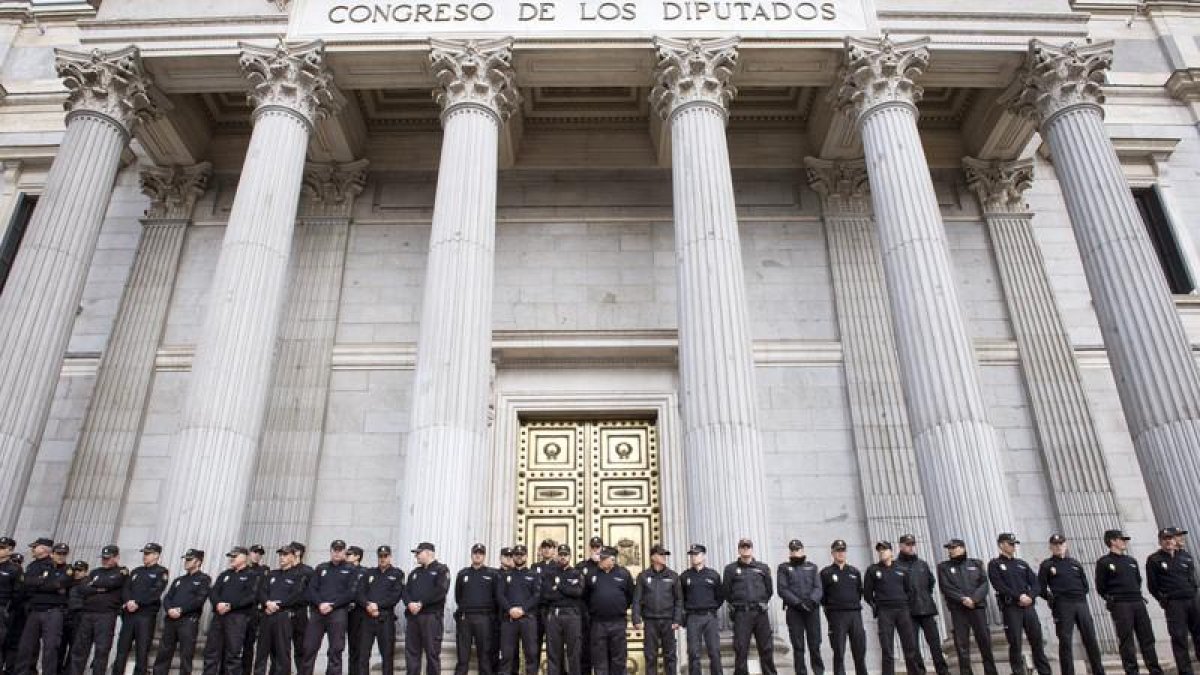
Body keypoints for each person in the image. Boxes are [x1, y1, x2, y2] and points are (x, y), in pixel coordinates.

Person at [1095, 530, 1162, 675]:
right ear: (1112, 541)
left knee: (1147, 638)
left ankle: (1155, 671)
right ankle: (1132, 671)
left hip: (1137, 602)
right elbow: (1100, 586)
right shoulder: (1104, 562)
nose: (1124, 542)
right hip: (1121, 604)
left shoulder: (1131, 561)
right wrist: (1112, 599)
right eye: (1121, 539)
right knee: (1127, 640)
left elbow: (1137, 580)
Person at [1037, 534, 1103, 675]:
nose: (1058, 547)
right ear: (1050, 547)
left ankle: (1099, 671)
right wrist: (1051, 599)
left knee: (1090, 638)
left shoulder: (1075, 564)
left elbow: (1085, 586)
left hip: (1080, 603)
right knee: (1065, 641)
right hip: (1063, 605)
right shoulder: (1047, 565)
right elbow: (1040, 588)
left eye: (1061, 544)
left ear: (1065, 545)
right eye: (1055, 544)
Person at [987, 534, 1050, 675]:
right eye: (1010, 544)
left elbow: (1036, 584)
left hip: (1028, 607)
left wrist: (1030, 596)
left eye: (1014, 544)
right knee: (1015, 643)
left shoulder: (1021, 564)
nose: (1013, 546)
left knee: (1037, 640)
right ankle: (1018, 671)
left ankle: (1044, 671)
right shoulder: (995, 564)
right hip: (1011, 607)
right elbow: (999, 585)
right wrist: (1018, 596)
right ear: (1001, 545)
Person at [936, 539, 996, 675]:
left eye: (954, 547)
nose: (951, 550)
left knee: (984, 641)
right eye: (949, 548)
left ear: (962, 548)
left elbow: (984, 584)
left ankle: (991, 671)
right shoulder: (943, 567)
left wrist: (974, 599)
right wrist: (962, 599)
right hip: (958, 609)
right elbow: (946, 587)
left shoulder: (976, 564)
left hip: (977, 607)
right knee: (962, 644)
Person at [1147, 527, 1200, 675]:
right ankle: (1185, 671)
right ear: (1160, 542)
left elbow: (1192, 580)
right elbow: (1152, 586)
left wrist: (1193, 593)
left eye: (1171, 539)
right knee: (1179, 637)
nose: (1169, 542)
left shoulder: (1185, 557)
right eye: (1165, 539)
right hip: (1174, 604)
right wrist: (1164, 600)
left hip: (1192, 600)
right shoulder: (1154, 560)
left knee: (1198, 633)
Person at [299, 540, 358, 675]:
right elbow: (311, 589)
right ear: (331, 551)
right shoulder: (321, 568)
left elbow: (351, 592)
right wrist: (320, 603)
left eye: (340, 550)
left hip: (338, 612)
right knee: (309, 648)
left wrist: (333, 605)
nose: (337, 553)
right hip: (318, 611)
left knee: (336, 650)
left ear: (344, 552)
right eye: (335, 550)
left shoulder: (351, 569)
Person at [863, 541, 922, 675]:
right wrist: (876, 606)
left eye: (885, 549)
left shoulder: (901, 569)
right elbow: (867, 593)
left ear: (891, 552)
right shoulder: (873, 570)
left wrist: (906, 605)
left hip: (903, 611)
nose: (882, 552)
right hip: (885, 612)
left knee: (910, 648)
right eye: (880, 550)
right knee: (887, 649)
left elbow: (910, 590)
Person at [16, 537, 70, 675]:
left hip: (53, 612)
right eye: (58, 553)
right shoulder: (38, 565)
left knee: (51, 647)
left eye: (63, 554)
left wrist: (41, 583)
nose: (61, 556)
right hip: (35, 610)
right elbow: (26, 582)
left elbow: (58, 584)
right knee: (26, 646)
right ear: (52, 553)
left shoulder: (67, 569)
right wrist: (44, 583)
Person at [69, 546, 126, 675]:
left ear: (116, 557)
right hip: (88, 613)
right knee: (80, 649)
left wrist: (95, 585)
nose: (105, 561)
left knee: (101, 650)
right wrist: (98, 589)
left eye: (108, 558)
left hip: (106, 615)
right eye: (103, 558)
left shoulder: (121, 572)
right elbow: (82, 588)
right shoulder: (95, 572)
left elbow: (112, 583)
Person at [112, 543, 167, 675]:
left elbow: (155, 592)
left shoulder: (161, 572)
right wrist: (128, 601)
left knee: (142, 651)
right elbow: (127, 588)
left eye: (148, 554)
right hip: (130, 615)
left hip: (145, 616)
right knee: (122, 650)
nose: (145, 556)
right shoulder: (136, 571)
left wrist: (138, 602)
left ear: (156, 555)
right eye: (144, 553)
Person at [722, 539, 776, 675]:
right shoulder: (730, 569)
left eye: (748, 547)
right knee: (741, 649)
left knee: (766, 648)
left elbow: (769, 590)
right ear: (739, 550)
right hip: (742, 614)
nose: (745, 549)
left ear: (752, 549)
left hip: (760, 613)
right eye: (743, 547)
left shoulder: (762, 568)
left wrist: (761, 602)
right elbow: (726, 592)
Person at [152, 549, 210, 675]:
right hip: (171, 619)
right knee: (163, 653)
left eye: (189, 560)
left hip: (188, 621)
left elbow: (199, 600)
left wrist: (181, 610)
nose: (186, 562)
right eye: (186, 559)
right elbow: (167, 597)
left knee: (186, 655)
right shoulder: (179, 580)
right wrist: (169, 609)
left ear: (198, 562)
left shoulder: (204, 579)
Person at [895, 535, 947, 675]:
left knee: (935, 645)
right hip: (908, 612)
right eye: (907, 544)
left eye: (912, 544)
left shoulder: (922, 564)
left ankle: (942, 671)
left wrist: (924, 596)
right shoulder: (896, 566)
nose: (911, 547)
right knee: (913, 648)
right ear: (900, 546)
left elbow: (930, 583)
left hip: (927, 609)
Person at [203, 547, 260, 675]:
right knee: (211, 652)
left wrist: (230, 605)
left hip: (237, 618)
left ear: (244, 557)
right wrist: (218, 603)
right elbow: (213, 591)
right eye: (231, 556)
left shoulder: (252, 575)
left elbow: (251, 596)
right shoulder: (225, 574)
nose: (232, 559)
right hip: (219, 617)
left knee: (232, 655)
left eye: (235, 556)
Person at [254, 545, 307, 675]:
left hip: (283, 616)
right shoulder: (272, 574)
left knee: (282, 652)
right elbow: (262, 591)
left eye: (285, 555)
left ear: (294, 557)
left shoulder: (298, 575)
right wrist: (267, 602)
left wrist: (278, 605)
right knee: (262, 651)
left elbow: (297, 595)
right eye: (281, 555)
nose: (282, 557)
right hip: (267, 615)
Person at [632, 544, 681, 675]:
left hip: (668, 621)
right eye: (661, 554)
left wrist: (677, 619)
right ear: (653, 557)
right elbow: (636, 600)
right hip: (650, 622)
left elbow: (678, 600)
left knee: (670, 655)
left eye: (665, 554)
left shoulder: (673, 576)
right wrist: (636, 619)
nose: (664, 557)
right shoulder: (643, 576)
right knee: (650, 656)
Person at [820, 540, 866, 675]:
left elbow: (859, 592)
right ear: (832, 553)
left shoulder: (854, 572)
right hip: (837, 615)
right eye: (837, 551)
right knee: (839, 651)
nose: (840, 553)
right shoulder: (826, 573)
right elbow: (822, 596)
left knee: (859, 650)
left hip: (854, 614)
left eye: (843, 551)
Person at [402, 543, 449, 675]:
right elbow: (405, 591)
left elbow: (440, 590)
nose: (416, 556)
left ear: (429, 553)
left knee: (432, 653)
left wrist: (421, 603)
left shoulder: (441, 570)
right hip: (413, 617)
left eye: (419, 553)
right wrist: (409, 603)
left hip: (431, 617)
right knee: (412, 653)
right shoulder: (415, 572)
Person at [778, 539, 823, 675]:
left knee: (815, 645)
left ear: (802, 551)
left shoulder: (812, 567)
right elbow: (782, 589)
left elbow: (818, 588)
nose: (795, 552)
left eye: (797, 549)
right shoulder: (784, 568)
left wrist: (811, 601)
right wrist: (798, 603)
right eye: (793, 550)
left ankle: (818, 672)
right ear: (790, 552)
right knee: (798, 646)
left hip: (812, 610)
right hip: (794, 611)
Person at [584, 547, 632, 675]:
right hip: (598, 623)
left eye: (603, 558)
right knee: (599, 660)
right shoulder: (592, 574)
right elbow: (586, 597)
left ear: (612, 559)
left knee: (618, 659)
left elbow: (629, 596)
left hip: (617, 622)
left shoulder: (623, 574)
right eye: (600, 557)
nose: (600, 560)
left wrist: (617, 608)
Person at [355, 547, 402, 675]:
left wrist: (377, 606)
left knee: (387, 656)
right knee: (363, 655)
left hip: (385, 619)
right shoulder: (369, 573)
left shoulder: (397, 574)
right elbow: (359, 592)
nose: (383, 558)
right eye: (380, 556)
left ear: (390, 557)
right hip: (367, 617)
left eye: (385, 556)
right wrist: (367, 605)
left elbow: (395, 596)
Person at [540, 544, 583, 675]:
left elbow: (578, 592)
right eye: (561, 555)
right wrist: (567, 589)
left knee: (574, 653)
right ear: (557, 556)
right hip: (555, 615)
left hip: (572, 615)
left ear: (570, 556)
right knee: (553, 653)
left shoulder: (576, 573)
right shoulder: (550, 573)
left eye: (566, 555)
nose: (563, 557)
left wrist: (558, 586)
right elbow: (547, 595)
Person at [455, 544, 497, 675]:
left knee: (484, 656)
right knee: (463, 656)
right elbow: (458, 596)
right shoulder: (463, 573)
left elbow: (496, 596)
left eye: (481, 553)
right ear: (471, 554)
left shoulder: (492, 574)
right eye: (475, 552)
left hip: (484, 618)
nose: (478, 555)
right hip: (466, 618)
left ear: (484, 556)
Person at [497, 545, 539, 675]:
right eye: (517, 554)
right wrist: (510, 609)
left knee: (531, 654)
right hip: (509, 619)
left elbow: (537, 595)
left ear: (526, 556)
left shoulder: (533, 574)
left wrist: (523, 610)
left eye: (522, 554)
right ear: (513, 557)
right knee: (507, 655)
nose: (519, 557)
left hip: (528, 619)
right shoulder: (506, 575)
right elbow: (500, 595)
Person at [680, 544, 722, 675]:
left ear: (703, 556)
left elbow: (720, 596)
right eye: (692, 554)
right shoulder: (685, 576)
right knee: (693, 653)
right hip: (692, 617)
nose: (693, 557)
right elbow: (681, 598)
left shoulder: (713, 575)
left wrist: (712, 608)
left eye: (696, 554)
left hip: (710, 617)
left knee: (714, 651)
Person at [243, 545, 268, 675]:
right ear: (249, 553)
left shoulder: (264, 571)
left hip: (254, 611)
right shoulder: (242, 569)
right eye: (255, 552)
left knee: (249, 644)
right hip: (240, 610)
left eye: (260, 553)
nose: (257, 555)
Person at [288, 543, 313, 673]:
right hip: (283, 612)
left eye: (290, 551)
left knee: (301, 648)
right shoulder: (284, 570)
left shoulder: (308, 571)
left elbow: (311, 592)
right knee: (281, 648)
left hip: (300, 612)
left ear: (297, 553)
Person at [343, 548, 365, 675]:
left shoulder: (363, 572)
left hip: (358, 612)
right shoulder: (343, 570)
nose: (346, 556)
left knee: (358, 647)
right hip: (344, 611)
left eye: (349, 554)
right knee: (349, 647)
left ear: (357, 557)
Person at [0, 537, 19, 674]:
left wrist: (8, 609)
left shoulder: (14, 569)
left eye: (2, 548)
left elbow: (18, 592)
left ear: (10, 550)